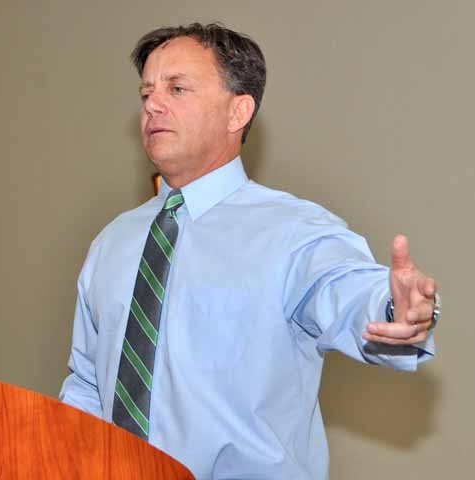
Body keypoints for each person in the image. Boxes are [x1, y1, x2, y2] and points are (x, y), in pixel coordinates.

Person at [59, 23, 439, 479]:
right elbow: (87, 382)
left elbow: (346, 291)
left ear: (238, 111)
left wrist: (396, 309)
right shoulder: (112, 243)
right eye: (146, 93)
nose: (152, 105)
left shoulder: (292, 232)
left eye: (176, 88)